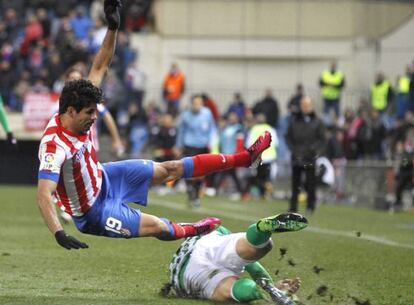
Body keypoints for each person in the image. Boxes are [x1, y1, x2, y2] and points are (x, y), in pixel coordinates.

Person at [37, 0, 273, 248]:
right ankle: (193, 231)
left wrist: (113, 27)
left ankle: (246, 158)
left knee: (170, 168)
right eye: (89, 113)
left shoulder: (81, 104)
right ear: (71, 111)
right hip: (93, 213)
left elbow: (99, 65)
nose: (95, 117)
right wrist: (58, 232)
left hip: (105, 177)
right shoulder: (54, 146)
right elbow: (44, 193)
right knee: (158, 226)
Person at [166, 212, 307, 305]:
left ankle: (264, 292)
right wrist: (270, 285)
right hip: (205, 243)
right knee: (256, 247)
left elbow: (251, 264)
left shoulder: (213, 233)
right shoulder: (221, 232)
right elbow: (252, 265)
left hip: (184, 273)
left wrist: (272, 289)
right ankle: (259, 231)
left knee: (226, 291)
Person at [176, 95, 218, 208]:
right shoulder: (186, 115)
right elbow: (181, 131)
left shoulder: (207, 113)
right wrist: (179, 145)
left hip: (203, 146)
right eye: (195, 103)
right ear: (191, 104)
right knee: (188, 171)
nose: (197, 106)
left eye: (199, 103)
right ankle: (190, 191)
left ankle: (196, 196)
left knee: (201, 173)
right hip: (189, 145)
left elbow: (212, 128)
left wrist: (212, 142)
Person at [286, 96, 326, 214]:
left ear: (312, 106)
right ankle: (293, 207)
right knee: (295, 184)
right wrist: (293, 150)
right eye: (303, 105)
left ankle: (310, 206)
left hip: (310, 157)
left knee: (310, 183)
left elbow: (322, 139)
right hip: (297, 157)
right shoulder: (294, 121)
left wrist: (316, 151)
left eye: (307, 105)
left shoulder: (317, 122)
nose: (305, 108)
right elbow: (288, 137)